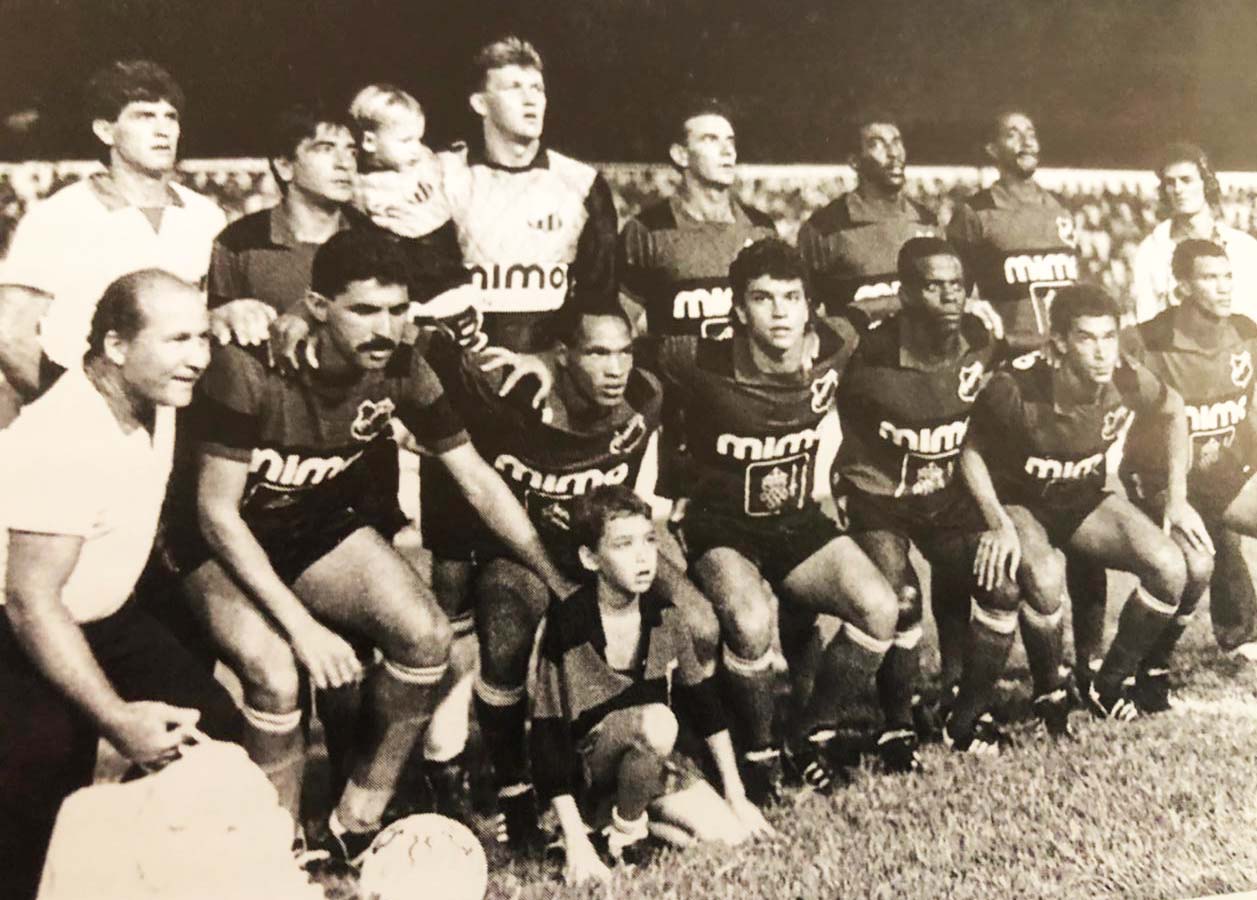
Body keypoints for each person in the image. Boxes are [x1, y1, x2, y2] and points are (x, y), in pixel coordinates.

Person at [174, 229, 572, 860]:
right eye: (363, 309)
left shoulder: (406, 364)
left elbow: (476, 479)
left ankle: (355, 820)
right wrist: (304, 630)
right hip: (218, 536)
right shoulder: (250, 365)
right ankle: (272, 848)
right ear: (317, 306)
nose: (385, 327)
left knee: (427, 635)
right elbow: (216, 514)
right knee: (276, 674)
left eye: (397, 309)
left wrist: (556, 577)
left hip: (310, 521)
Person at [419, 300, 721, 849]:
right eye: (597, 353)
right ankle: (514, 790)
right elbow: (429, 353)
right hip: (520, 547)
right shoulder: (507, 397)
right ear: (561, 356)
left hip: (607, 549)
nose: (615, 367)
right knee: (508, 631)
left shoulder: (644, 398)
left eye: (623, 352)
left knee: (699, 624)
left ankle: (659, 766)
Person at [0, 270, 242, 900]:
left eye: (203, 337)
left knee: (209, 726)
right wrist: (113, 716)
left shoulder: (151, 397)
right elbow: (30, 602)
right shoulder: (64, 438)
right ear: (115, 346)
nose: (197, 358)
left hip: (103, 617)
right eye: (177, 340)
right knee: (41, 780)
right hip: (21, 628)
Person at [654, 237, 899, 800]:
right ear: (738, 309)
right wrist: (538, 361)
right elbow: (615, 347)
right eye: (763, 299)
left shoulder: (834, 340)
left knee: (879, 608)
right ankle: (759, 750)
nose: (781, 311)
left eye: (792, 297)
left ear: (810, 306)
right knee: (748, 619)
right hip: (721, 525)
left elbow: (878, 306)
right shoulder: (696, 357)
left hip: (794, 515)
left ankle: (806, 732)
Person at [831, 236, 1060, 758]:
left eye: (957, 285)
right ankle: (896, 724)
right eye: (933, 286)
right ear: (906, 292)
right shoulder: (866, 351)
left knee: (1000, 587)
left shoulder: (981, 337)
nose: (951, 297)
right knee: (901, 601)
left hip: (946, 491)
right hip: (878, 494)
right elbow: (823, 332)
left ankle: (962, 720)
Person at [960, 283, 1211, 720]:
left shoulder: (1126, 377)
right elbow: (969, 451)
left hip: (1081, 497)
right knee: (1045, 576)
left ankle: (1107, 685)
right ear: (1059, 343)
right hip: (1020, 501)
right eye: (1087, 338)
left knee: (1171, 567)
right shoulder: (1013, 387)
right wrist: (995, 520)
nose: (1101, 352)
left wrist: (1178, 497)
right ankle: (1048, 691)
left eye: (1109, 337)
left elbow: (1175, 411)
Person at [532, 486, 771, 886]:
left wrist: (736, 795)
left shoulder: (665, 616)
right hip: (589, 767)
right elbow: (547, 739)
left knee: (732, 837)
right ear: (590, 558)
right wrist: (575, 840)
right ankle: (619, 835)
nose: (643, 557)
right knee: (658, 723)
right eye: (623, 545)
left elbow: (706, 708)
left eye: (648, 541)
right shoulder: (568, 625)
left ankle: (621, 826)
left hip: (648, 764)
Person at [0, 60, 225, 396]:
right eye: (144, 116)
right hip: (85, 418)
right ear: (106, 131)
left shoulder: (205, 215)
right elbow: (9, 334)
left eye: (170, 117)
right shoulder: (59, 216)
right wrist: (69, 403)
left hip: (181, 417)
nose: (162, 130)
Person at [1122, 239, 1257, 683]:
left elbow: (1250, 410)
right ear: (1182, 286)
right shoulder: (1144, 340)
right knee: (1194, 566)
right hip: (1162, 478)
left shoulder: (1246, 332)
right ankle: (1149, 662)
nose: (1223, 287)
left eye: (1227, 276)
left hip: (1223, 476)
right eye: (1209, 277)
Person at [439, 35, 618, 353]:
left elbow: (598, 298)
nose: (530, 99)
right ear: (480, 103)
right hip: (460, 363)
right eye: (514, 87)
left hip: (551, 366)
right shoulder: (444, 176)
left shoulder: (582, 183)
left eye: (537, 88)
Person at [619, 97, 777, 341]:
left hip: (746, 378)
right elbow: (619, 326)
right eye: (710, 139)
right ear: (681, 155)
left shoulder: (761, 229)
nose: (728, 151)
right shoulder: (647, 231)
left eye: (730, 141)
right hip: (677, 379)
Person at [207, 102, 356, 328]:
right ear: (285, 165)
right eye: (326, 149)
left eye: (351, 151)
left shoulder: (373, 240)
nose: (345, 163)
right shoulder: (238, 243)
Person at [947, 110, 1081, 351]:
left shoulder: (1061, 207)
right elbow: (955, 298)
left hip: (1066, 358)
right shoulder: (974, 212)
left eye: (1031, 134)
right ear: (993, 149)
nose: (1026, 141)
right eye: (1013, 134)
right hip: (1012, 359)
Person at [797, 114, 943, 324]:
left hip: (919, 355)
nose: (894, 153)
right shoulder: (824, 228)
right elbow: (804, 311)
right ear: (855, 161)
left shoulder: (927, 222)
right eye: (877, 144)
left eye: (897, 142)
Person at [1131, 143, 1257, 324]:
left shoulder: (1244, 247)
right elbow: (1146, 320)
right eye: (1170, 182)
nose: (1178, 189)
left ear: (1206, 183)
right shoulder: (1151, 251)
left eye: (1186, 180)